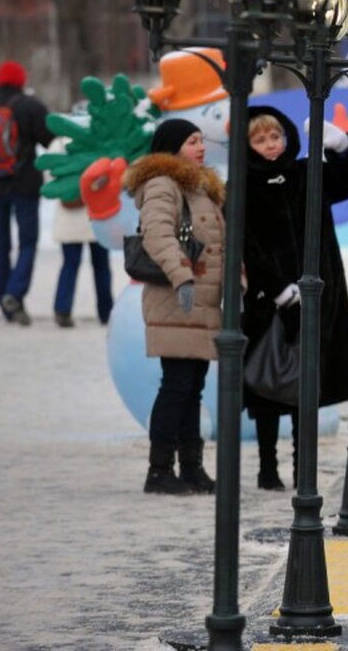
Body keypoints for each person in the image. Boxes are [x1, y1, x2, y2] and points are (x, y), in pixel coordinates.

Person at [242, 106, 348, 490]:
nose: (270, 145)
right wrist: (276, 288)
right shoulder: (243, 185)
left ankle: (301, 466)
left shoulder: (306, 173)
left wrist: (341, 144)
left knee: (305, 386)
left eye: (274, 137)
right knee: (267, 384)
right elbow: (247, 245)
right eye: (259, 140)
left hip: (316, 297)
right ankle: (267, 466)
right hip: (268, 300)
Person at [123, 118, 224, 495]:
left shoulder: (201, 188)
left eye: (201, 141)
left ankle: (192, 467)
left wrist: (238, 282)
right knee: (177, 385)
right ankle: (159, 470)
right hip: (175, 300)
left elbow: (221, 243)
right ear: (171, 147)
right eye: (191, 141)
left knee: (192, 387)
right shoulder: (163, 184)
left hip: (202, 303)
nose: (200, 147)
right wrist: (181, 275)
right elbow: (157, 233)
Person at [0, 60, 54, 325]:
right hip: (25, 186)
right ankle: (14, 292)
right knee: (28, 242)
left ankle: (7, 307)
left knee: (1, 245)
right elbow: (51, 139)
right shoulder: (30, 106)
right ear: (21, 80)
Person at [50, 138, 114, 327]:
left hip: (69, 216)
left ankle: (62, 309)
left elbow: (49, 176)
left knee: (69, 264)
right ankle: (106, 312)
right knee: (101, 266)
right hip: (97, 214)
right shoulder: (99, 137)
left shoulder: (59, 142)